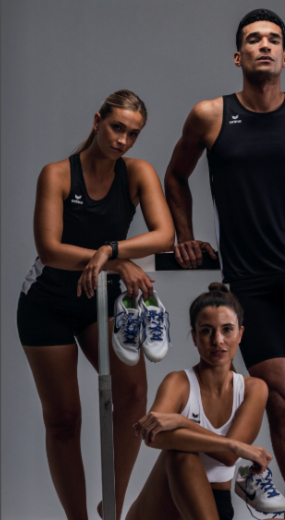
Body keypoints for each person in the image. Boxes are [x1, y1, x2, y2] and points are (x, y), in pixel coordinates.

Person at [164, 9, 285, 520]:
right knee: (281, 398)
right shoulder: (210, 115)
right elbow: (175, 176)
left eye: (273, 39)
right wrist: (185, 236)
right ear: (238, 56)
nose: (264, 45)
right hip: (251, 278)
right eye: (254, 39)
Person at [17, 89, 175, 520]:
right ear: (97, 121)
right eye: (116, 128)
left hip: (100, 300)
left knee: (134, 395)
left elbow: (165, 236)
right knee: (64, 419)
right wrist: (118, 262)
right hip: (47, 304)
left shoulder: (137, 173)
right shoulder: (57, 174)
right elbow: (50, 250)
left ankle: (113, 505)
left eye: (133, 133)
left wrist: (111, 250)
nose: (123, 140)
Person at [127, 283, 277, 520]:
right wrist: (235, 445)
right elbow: (153, 436)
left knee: (184, 448)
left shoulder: (253, 389)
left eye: (227, 330)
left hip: (214, 505)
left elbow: (228, 457)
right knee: (180, 455)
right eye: (207, 331)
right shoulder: (178, 382)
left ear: (240, 334)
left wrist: (181, 422)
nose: (218, 340)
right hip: (161, 505)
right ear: (195, 338)